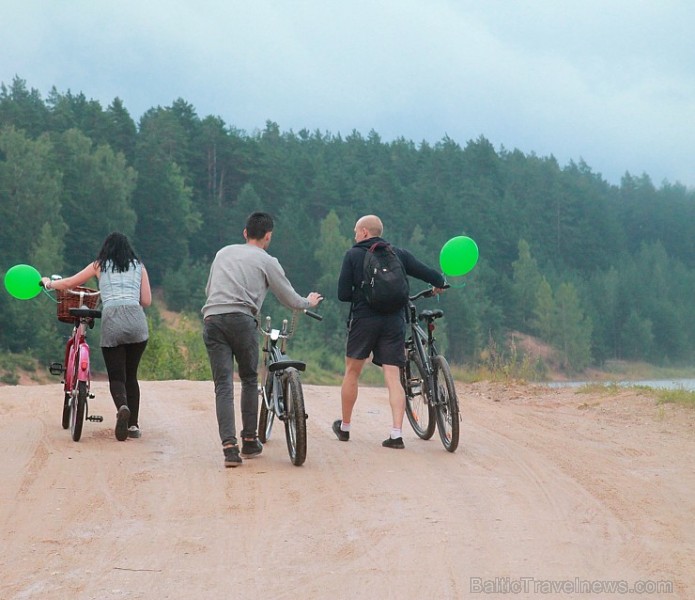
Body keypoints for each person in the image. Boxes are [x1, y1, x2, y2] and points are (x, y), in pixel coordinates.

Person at [202, 212, 323, 468]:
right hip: (242, 319)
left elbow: (209, 289)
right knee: (247, 379)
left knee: (223, 384)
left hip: (212, 318)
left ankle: (229, 449)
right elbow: (288, 297)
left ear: (245, 233)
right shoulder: (267, 260)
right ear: (268, 236)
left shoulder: (222, 253)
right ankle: (248, 440)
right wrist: (307, 302)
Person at [334, 214, 446, 449]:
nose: (354, 235)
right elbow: (430, 273)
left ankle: (345, 427)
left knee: (352, 372)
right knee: (393, 378)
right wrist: (438, 283)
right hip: (394, 320)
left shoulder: (353, 254)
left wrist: (363, 294)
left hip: (364, 320)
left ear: (364, 232)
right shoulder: (399, 254)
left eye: (356, 231)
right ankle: (396, 434)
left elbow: (343, 294)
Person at [41, 232, 151, 441]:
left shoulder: (99, 265)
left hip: (113, 322)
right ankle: (133, 426)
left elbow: (69, 283)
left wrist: (48, 283)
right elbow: (146, 301)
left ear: (106, 248)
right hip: (137, 323)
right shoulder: (140, 267)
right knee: (131, 375)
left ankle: (122, 407)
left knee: (117, 377)